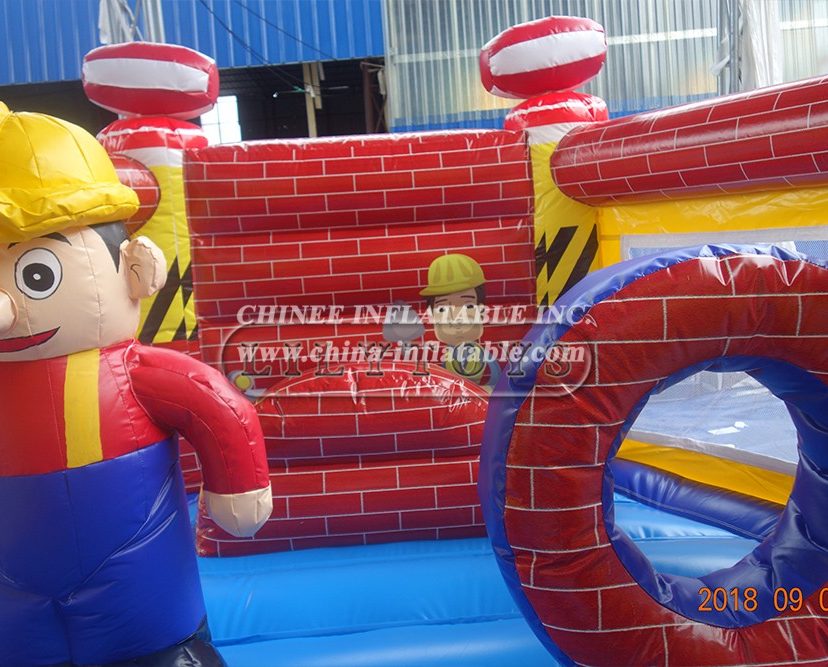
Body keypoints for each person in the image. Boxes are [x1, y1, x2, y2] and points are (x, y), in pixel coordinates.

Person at [0, 104, 271, 667]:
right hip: (14, 607)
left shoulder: (133, 373)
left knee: (159, 652)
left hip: (143, 598)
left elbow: (218, 407)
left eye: (36, 274)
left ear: (133, 268)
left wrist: (238, 485)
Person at [420, 253, 501, 391]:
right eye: (443, 308)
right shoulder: (434, 361)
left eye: (468, 306)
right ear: (431, 314)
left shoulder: (487, 360)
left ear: (481, 310)